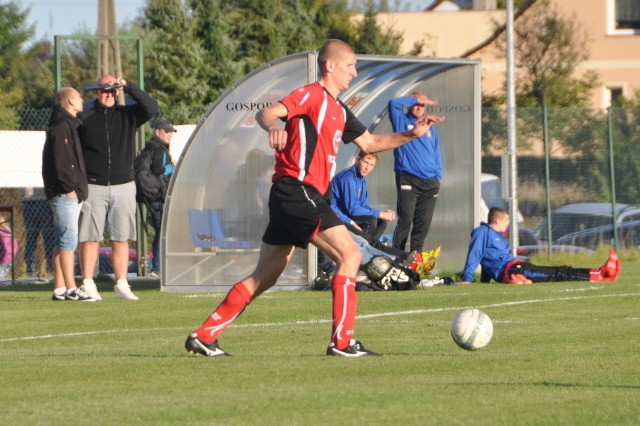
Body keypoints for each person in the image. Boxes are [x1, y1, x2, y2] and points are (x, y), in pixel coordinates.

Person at [185, 39, 432, 358]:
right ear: (329, 65)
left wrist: (412, 134)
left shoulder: (340, 110)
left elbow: (370, 143)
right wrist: (274, 126)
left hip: (297, 196)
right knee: (350, 256)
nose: (355, 73)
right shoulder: (311, 94)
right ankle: (342, 343)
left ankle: (204, 335)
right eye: (350, 65)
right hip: (297, 191)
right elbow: (268, 113)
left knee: (267, 275)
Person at [77, 75, 159, 300]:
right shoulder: (85, 115)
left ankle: (121, 283)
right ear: (97, 92)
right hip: (93, 185)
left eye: (113, 91)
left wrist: (130, 87)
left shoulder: (127, 114)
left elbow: (152, 107)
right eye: (105, 91)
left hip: (124, 184)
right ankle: (87, 283)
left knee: (120, 237)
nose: (109, 95)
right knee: (90, 236)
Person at [461, 207, 621, 285]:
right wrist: (467, 278)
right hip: (513, 269)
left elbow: (489, 260)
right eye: (506, 220)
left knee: (558, 270)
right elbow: (476, 254)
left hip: (515, 267)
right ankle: (598, 275)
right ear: (497, 221)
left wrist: (485, 282)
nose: (508, 223)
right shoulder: (483, 231)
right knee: (556, 273)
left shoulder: (497, 237)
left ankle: (601, 272)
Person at [41, 87, 92, 301]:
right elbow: (63, 162)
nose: (82, 101)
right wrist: (69, 187)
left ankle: (60, 288)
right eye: (79, 98)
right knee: (68, 241)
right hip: (65, 194)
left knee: (63, 241)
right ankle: (71, 288)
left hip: (70, 193)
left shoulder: (68, 124)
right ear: (70, 100)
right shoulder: (62, 126)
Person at [388, 92, 445, 252]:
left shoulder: (429, 126)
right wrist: (417, 99)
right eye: (417, 103)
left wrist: (437, 176)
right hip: (408, 179)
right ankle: (397, 256)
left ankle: (416, 261)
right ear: (410, 103)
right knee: (405, 219)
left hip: (430, 182)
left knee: (423, 224)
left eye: (423, 105)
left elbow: (436, 152)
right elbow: (393, 103)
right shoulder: (402, 121)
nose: (419, 107)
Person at [135, 118, 177, 277]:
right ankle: (157, 268)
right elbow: (160, 170)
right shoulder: (160, 149)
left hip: (151, 196)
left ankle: (157, 267)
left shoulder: (149, 147)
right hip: (159, 196)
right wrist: (171, 165)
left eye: (171, 132)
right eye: (167, 131)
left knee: (160, 231)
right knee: (162, 232)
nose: (170, 134)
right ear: (157, 131)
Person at [331, 151, 396, 245]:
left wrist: (382, 214)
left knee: (381, 221)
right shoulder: (348, 177)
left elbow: (363, 206)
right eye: (366, 162)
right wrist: (380, 213)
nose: (367, 168)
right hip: (339, 218)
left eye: (371, 165)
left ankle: (370, 248)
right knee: (371, 220)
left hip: (349, 216)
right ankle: (363, 249)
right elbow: (352, 209)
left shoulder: (361, 179)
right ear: (357, 159)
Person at [20, 187, 55, 277]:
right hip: (43, 201)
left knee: (31, 237)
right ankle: (50, 268)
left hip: (28, 201)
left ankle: (31, 268)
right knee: (48, 238)